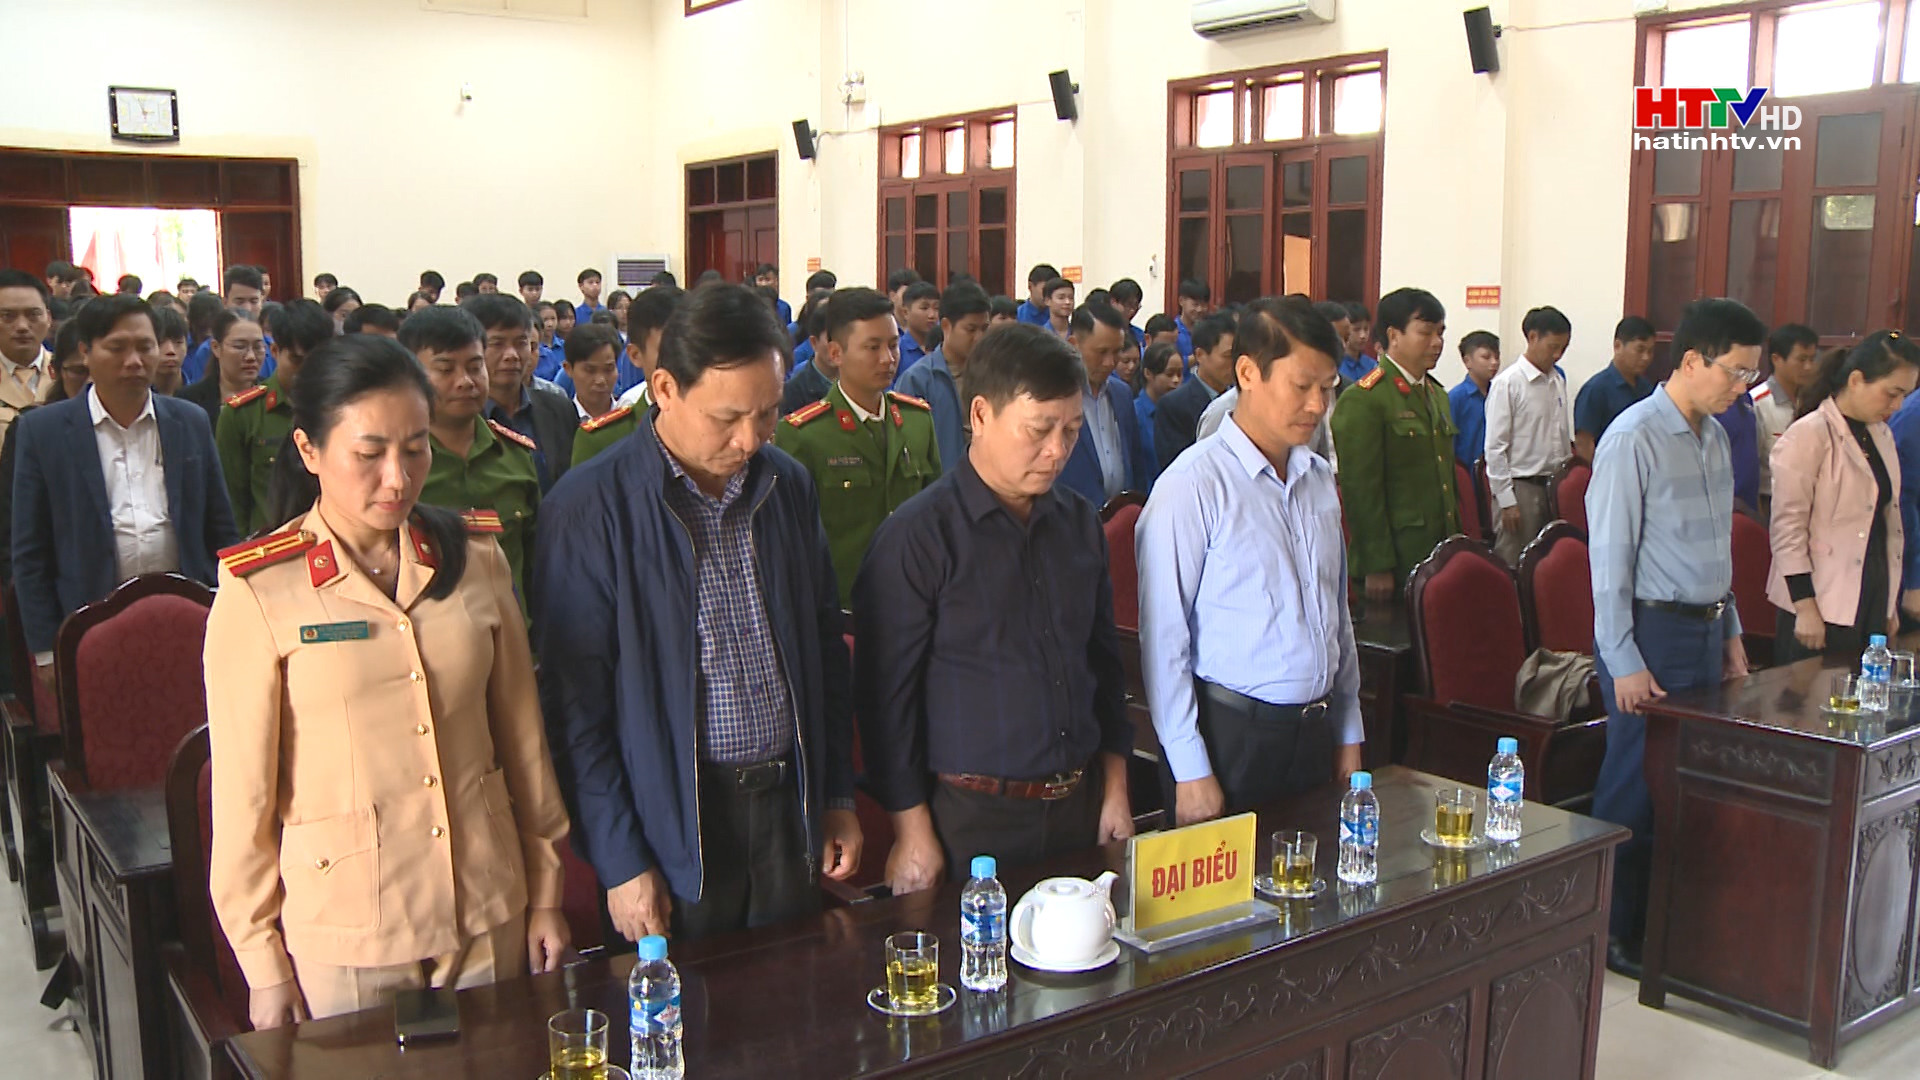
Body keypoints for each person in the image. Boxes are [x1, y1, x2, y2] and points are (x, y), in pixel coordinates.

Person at [206, 333, 571, 1027]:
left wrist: (547, 887)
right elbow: (244, 798)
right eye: (369, 455)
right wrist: (261, 960)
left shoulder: (476, 558)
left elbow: (523, 740)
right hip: (349, 926)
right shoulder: (260, 590)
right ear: (310, 451)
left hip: (485, 899)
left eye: (416, 448)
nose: (398, 479)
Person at [535, 282, 861, 943]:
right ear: (664, 388)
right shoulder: (591, 509)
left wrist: (834, 796)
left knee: (796, 988)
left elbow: (824, 650)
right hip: (672, 820)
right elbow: (576, 712)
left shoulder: (786, 485)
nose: (750, 439)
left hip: (787, 805)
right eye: (727, 418)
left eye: (767, 414)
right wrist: (621, 860)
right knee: (684, 1002)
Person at [855, 321, 1132, 891]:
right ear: (980, 415)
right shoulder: (918, 538)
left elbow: (1104, 669)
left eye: (1071, 430)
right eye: (1039, 429)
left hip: (1080, 808)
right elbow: (887, 704)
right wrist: (911, 830)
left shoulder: (1079, 523)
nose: (1057, 451)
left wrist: (1115, 787)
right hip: (971, 818)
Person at [1588, 296, 1763, 976]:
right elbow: (1609, 563)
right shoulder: (1632, 438)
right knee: (1636, 784)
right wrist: (1622, 660)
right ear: (1692, 360)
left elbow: (1716, 547)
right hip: (1649, 632)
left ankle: (1666, 926)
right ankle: (1612, 930)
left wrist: (1732, 629)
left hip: (1705, 628)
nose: (1742, 386)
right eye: (1735, 372)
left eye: (1750, 374)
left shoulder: (1715, 436)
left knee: (1688, 782)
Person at [1138, 298, 1361, 824]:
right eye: (1301, 386)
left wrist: (1349, 731)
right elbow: (1164, 641)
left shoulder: (1317, 479)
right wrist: (1190, 768)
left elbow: (1336, 614)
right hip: (1231, 737)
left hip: (1315, 730)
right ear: (1247, 373)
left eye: (1327, 388)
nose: (1317, 405)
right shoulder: (1192, 486)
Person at [11, 294, 237, 679]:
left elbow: (221, 527)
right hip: (88, 623)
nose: (134, 360)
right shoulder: (43, 431)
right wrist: (46, 649)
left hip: (191, 615)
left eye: (145, 347)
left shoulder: (190, 421)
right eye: (117, 348)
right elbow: (30, 550)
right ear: (86, 351)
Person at [774, 287, 940, 608]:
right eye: (872, 347)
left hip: (913, 599)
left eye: (893, 345)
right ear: (836, 353)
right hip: (842, 607)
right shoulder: (804, 435)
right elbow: (794, 542)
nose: (887, 359)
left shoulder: (917, 420)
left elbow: (935, 514)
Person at [1767, 333, 1919, 664]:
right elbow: (1787, 529)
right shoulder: (1810, 433)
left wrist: (1889, 603)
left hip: (1872, 590)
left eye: (1904, 396)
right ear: (1856, 380)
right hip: (1820, 598)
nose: (1896, 406)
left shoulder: (1881, 434)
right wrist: (1804, 606)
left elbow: (1889, 522)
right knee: (1813, 693)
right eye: (1892, 393)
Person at [400, 306, 540, 611]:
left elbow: (535, 562)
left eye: (475, 367)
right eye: (446, 369)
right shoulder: (394, 466)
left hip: (513, 631)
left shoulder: (516, 456)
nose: (465, 381)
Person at [1330, 286, 1458, 602]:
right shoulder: (1365, 399)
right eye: (1425, 332)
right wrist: (1377, 564)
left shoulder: (1437, 395)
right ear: (1393, 335)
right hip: (1397, 556)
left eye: (1440, 333)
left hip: (1440, 551)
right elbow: (1361, 491)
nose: (1437, 342)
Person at [217, 299, 334, 534]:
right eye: (297, 360)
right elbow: (232, 502)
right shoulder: (242, 414)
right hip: (270, 545)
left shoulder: (343, 409)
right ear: (275, 351)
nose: (307, 370)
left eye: (316, 360)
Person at [1485, 306, 1573, 565]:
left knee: (1548, 564)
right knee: (1515, 563)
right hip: (1521, 489)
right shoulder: (1508, 383)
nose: (1557, 355)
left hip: (1553, 488)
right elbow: (1495, 448)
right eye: (1553, 347)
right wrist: (1506, 501)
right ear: (1532, 337)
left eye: (1563, 349)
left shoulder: (1557, 380)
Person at [469, 295, 575, 493]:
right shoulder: (459, 418)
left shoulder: (559, 409)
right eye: (497, 344)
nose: (512, 355)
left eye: (521, 343)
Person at [570, 286, 687, 467]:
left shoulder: (720, 425)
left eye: (692, 348)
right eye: (668, 350)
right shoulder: (603, 439)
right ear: (635, 355)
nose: (684, 360)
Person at [1057, 301, 1147, 508]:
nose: (1110, 362)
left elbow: (1136, 462)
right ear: (1073, 344)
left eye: (1116, 352)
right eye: (1101, 352)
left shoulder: (1122, 394)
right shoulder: (1055, 398)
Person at [895, 282, 990, 475]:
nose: (979, 338)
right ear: (946, 326)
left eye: (984, 329)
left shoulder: (994, 375)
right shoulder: (918, 380)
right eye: (971, 329)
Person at [1752, 323, 1820, 515]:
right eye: (1801, 359)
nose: (1809, 367)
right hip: (1770, 502)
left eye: (1812, 359)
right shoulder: (1758, 403)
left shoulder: (1815, 401)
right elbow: (1752, 467)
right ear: (1776, 359)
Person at [1155, 312, 1236, 472]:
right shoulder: (1174, 406)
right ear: (1200, 355)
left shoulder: (1242, 400)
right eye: (1227, 356)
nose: (1235, 363)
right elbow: (1177, 467)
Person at [1571, 317, 1656, 463]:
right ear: (1618, 346)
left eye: (1651, 351)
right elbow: (1584, 443)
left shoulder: (1647, 389)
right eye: (1640, 350)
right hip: (1608, 468)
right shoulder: (1595, 389)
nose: (1646, 358)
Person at [182, 265, 271, 385]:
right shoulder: (207, 350)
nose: (247, 308)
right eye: (239, 301)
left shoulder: (273, 348)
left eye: (254, 301)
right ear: (225, 303)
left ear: (262, 302)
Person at [179, 310, 267, 430]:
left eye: (258, 347)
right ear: (216, 347)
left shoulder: (276, 397)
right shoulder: (189, 401)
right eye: (240, 347)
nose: (251, 356)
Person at [0, 269, 55, 448]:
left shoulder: (71, 373)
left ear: (48, 318)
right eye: (8, 316)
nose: (22, 326)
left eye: (33, 315)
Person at [1132, 342, 1183, 489]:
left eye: (1180, 374)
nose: (1176, 380)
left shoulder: (1181, 411)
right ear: (1148, 374)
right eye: (1169, 374)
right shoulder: (1134, 414)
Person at [1448, 330, 1500, 467]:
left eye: (1497, 357)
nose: (1494, 362)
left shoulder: (1499, 393)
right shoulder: (1456, 398)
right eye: (1486, 357)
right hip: (1466, 473)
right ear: (1467, 361)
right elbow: (1449, 445)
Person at [782, 299, 836, 416]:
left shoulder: (860, 383)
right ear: (814, 342)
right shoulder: (792, 393)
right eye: (831, 339)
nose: (838, 346)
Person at [562, 324, 624, 422]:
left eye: (608, 369)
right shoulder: (560, 422)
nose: (600, 380)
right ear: (568, 369)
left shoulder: (632, 419)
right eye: (590, 370)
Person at [895, 281, 940, 378]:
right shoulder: (897, 351)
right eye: (924, 308)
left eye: (936, 308)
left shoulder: (943, 348)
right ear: (905, 312)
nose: (932, 315)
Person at [152, 305, 190, 397]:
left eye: (178, 342)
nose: (170, 351)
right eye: (160, 342)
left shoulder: (202, 397)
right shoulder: (133, 398)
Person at [1174, 279, 1211, 359]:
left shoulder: (1210, 331)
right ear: (1181, 301)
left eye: (1204, 305)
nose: (1200, 309)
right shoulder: (1172, 332)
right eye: (1195, 304)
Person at [1110, 277, 1147, 353]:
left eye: (1136, 306)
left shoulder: (1140, 335)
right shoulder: (1102, 332)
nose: (1132, 311)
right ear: (1113, 302)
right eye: (1129, 305)